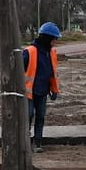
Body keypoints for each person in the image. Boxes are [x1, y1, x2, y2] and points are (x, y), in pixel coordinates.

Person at [21, 22, 61, 151]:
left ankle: (37, 143)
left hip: (43, 91)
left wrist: (54, 90)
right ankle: (24, 143)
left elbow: (52, 74)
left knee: (41, 117)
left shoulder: (51, 53)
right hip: (29, 92)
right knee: (28, 116)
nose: (55, 41)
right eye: (54, 38)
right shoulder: (29, 52)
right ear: (47, 38)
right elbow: (18, 72)